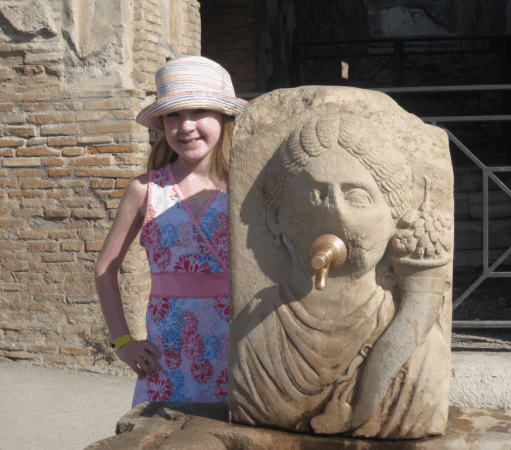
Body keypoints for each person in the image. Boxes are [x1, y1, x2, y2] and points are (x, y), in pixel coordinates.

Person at [229, 114, 452, 439]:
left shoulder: (422, 351)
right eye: (315, 194)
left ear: (394, 219)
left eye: (357, 196)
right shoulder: (255, 333)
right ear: (276, 217)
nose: (335, 213)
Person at [95, 56, 246, 406]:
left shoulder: (246, 185)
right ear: (162, 123)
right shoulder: (144, 190)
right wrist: (122, 342)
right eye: (174, 115)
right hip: (167, 359)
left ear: (224, 117)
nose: (185, 126)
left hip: (238, 350)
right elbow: (105, 269)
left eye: (198, 111)